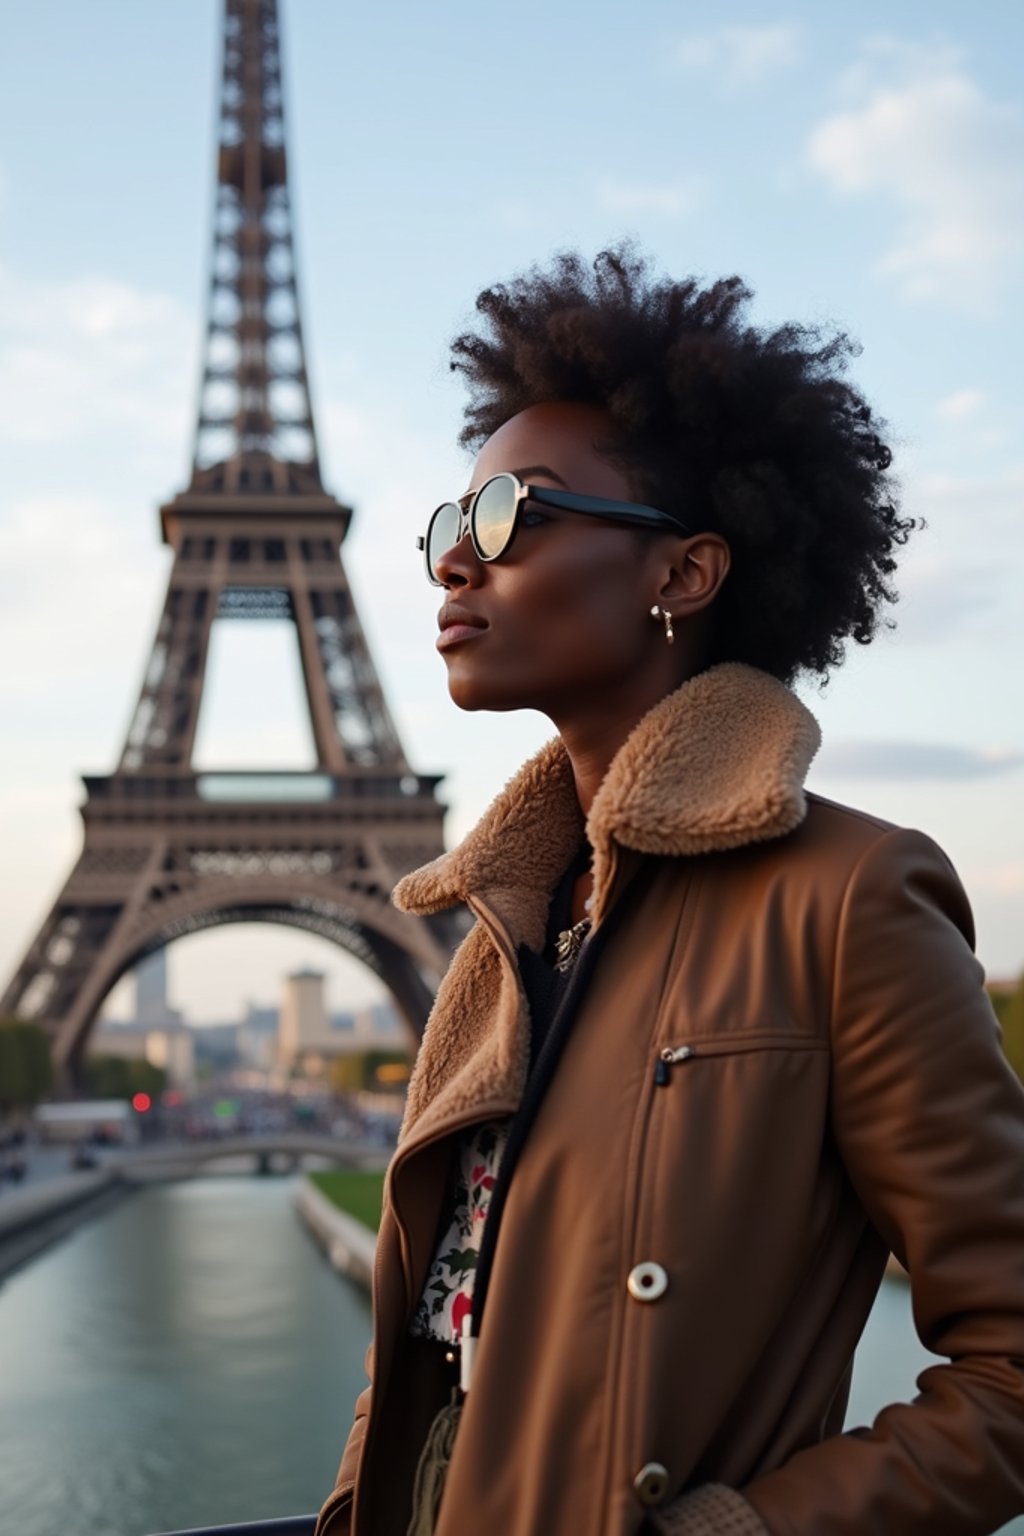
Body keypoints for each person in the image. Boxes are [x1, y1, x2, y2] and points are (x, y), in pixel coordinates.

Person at [316, 247, 1024, 1536]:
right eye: (448, 524)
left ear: (682, 576)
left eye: (511, 517)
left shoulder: (848, 897)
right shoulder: (509, 924)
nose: (452, 566)